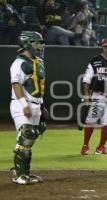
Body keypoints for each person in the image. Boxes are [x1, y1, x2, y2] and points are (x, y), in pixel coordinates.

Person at [9, 31, 47, 184]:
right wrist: (25, 105)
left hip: (36, 105)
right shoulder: (18, 63)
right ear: (27, 43)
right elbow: (16, 84)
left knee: (31, 138)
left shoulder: (39, 62)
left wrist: (42, 107)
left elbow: (39, 87)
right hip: (21, 103)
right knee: (27, 135)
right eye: (36, 42)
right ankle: (18, 175)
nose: (39, 46)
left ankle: (25, 173)